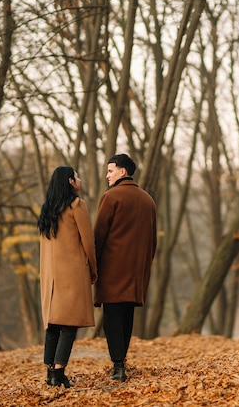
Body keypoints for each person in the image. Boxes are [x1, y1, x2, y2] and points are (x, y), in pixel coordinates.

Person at [94, 154, 157, 382]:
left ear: (123, 172)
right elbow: (153, 242)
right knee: (126, 317)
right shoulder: (148, 200)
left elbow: (99, 235)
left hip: (112, 269)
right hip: (136, 271)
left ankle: (118, 366)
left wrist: (93, 265)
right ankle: (121, 363)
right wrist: (143, 266)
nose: (107, 175)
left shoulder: (111, 197)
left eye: (110, 171)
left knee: (111, 317)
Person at [37, 166, 98, 388]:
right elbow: (88, 241)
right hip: (71, 273)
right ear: (70, 181)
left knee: (53, 325)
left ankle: (50, 371)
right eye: (77, 176)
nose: (79, 179)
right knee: (69, 325)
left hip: (50, 276)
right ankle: (59, 372)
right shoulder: (76, 205)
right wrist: (93, 267)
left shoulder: (47, 209)